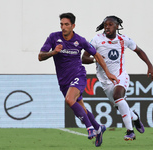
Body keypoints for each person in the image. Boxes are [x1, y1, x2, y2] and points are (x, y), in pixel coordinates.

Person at [38, 13, 118, 147]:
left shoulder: (80, 40)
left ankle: (90, 128)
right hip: (63, 81)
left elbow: (96, 54)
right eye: (62, 24)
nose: (63, 27)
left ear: (73, 26)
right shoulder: (53, 37)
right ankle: (98, 128)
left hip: (78, 76)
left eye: (66, 24)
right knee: (80, 107)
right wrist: (53, 53)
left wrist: (108, 73)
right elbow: (40, 56)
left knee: (69, 100)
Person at [82, 15, 153, 141]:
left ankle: (130, 131)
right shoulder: (97, 40)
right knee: (118, 105)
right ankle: (135, 117)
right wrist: (95, 59)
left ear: (117, 26)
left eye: (110, 25)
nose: (107, 27)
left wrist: (150, 66)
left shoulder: (123, 39)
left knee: (118, 96)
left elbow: (139, 51)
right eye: (105, 25)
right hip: (105, 81)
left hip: (121, 76)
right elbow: (84, 58)